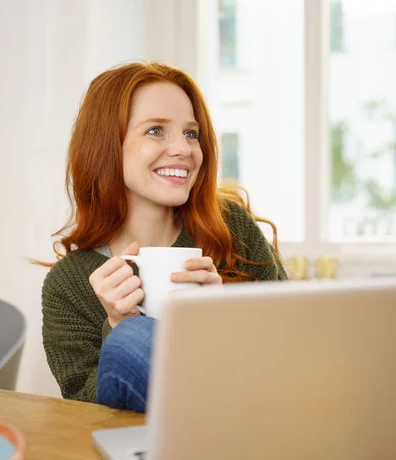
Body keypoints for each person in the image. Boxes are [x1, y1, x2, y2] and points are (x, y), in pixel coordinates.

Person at [41, 62, 287, 412]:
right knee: (133, 338)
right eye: (156, 131)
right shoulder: (67, 284)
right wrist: (119, 325)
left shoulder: (231, 227)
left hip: (254, 417)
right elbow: (84, 409)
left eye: (190, 133)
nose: (185, 150)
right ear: (106, 145)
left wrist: (220, 318)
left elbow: (289, 347)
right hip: (148, 447)